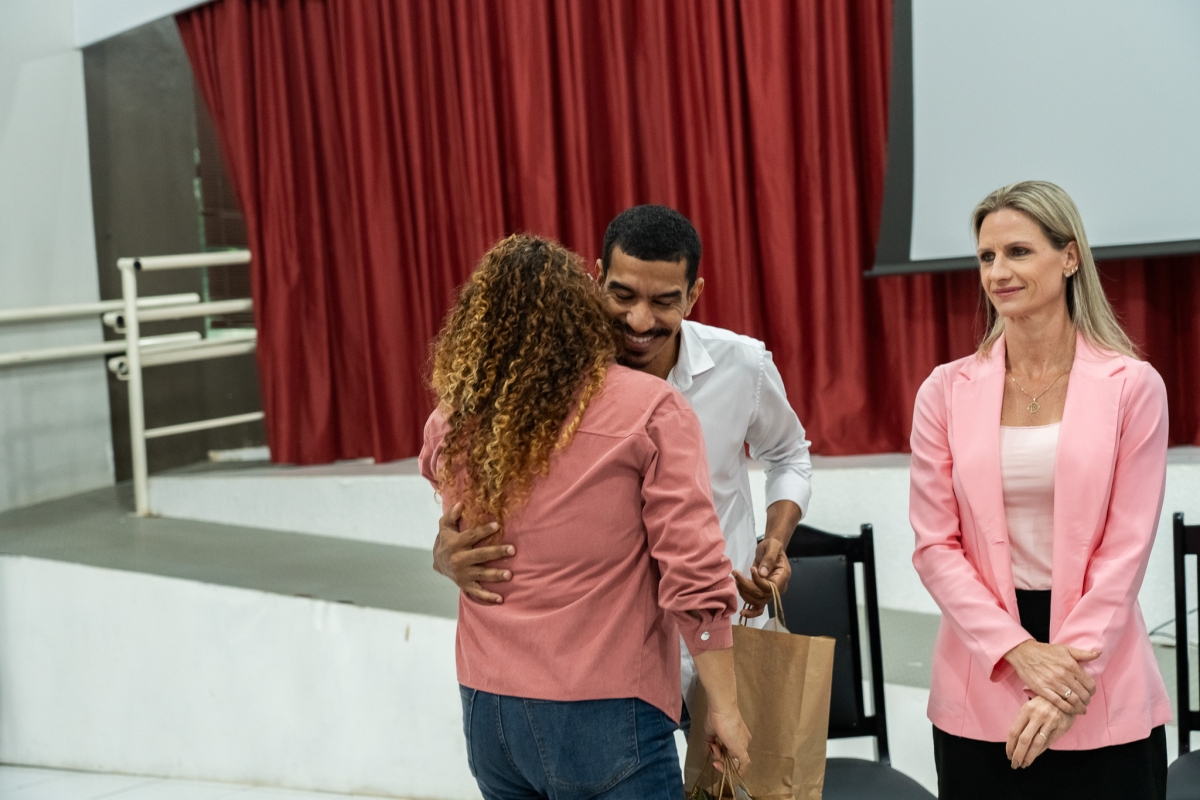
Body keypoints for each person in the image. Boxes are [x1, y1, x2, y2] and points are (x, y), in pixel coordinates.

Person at [434, 205, 812, 719]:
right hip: (612, 672)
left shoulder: (742, 365)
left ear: (694, 295)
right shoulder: (554, 377)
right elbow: (487, 467)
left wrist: (775, 541)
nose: (640, 321)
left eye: (664, 302)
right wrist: (445, 547)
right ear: (597, 277)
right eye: (623, 295)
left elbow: (788, 453)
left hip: (724, 645)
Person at [420, 234, 750, 799]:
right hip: (605, 709)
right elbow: (693, 571)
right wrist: (725, 707)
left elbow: (451, 506)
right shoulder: (651, 409)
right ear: (584, 306)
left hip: (488, 710)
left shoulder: (454, 421)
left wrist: (442, 552)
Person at [910, 180, 1170, 799]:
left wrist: (1062, 682)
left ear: (1069, 257)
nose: (998, 272)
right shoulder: (944, 391)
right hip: (983, 671)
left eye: (1019, 252)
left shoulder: (1133, 386)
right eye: (987, 256)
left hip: (1098, 674)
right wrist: (1019, 651)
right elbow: (935, 546)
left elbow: (1126, 550)